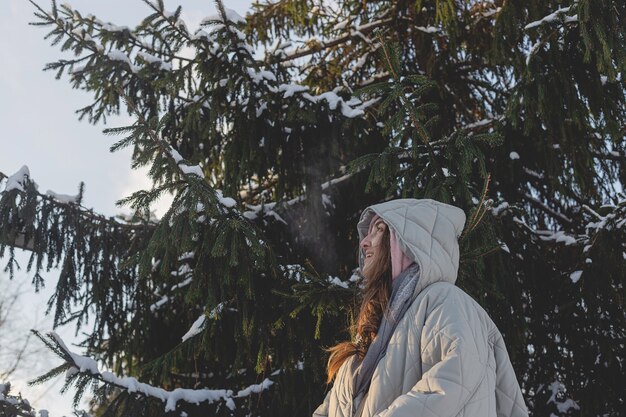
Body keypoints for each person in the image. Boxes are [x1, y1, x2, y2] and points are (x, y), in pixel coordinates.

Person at [313, 198, 529, 417]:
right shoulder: (373, 335)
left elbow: (452, 381)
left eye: (378, 229)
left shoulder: (444, 300)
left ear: (406, 242)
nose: (364, 242)